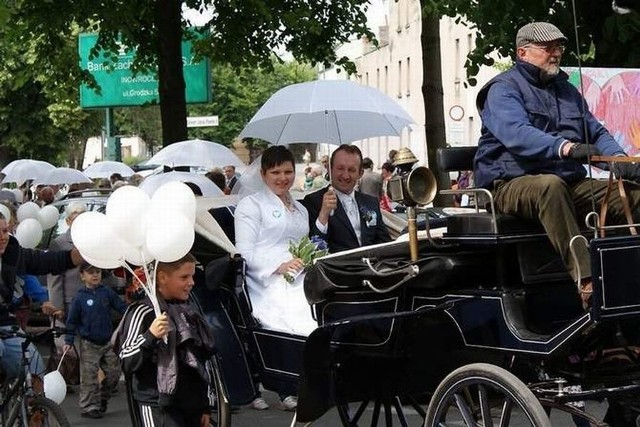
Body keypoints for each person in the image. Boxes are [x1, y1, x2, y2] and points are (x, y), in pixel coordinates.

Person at [473, 21, 640, 308]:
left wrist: (620, 162)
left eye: (559, 46)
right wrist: (565, 147)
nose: (556, 53)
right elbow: (516, 133)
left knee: (632, 194)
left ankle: (628, 277)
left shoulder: (567, 90)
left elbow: (595, 131)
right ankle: (588, 283)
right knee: (549, 187)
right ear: (523, 52)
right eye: (547, 47)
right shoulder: (503, 89)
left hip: (567, 183)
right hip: (512, 184)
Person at [234, 145, 314, 411]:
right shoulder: (251, 205)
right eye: (276, 172)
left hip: (298, 272)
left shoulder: (301, 210)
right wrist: (278, 266)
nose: (283, 178)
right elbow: (244, 254)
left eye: (288, 171)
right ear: (263, 174)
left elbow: (302, 244)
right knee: (295, 305)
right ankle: (289, 378)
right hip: (263, 278)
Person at [116, 253, 216, 427]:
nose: (191, 282)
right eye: (184, 277)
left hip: (191, 406)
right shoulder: (142, 312)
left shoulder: (189, 310)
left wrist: (204, 406)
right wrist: (150, 336)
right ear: (162, 277)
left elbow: (200, 360)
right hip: (158, 406)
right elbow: (126, 360)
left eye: (192, 276)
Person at [0, 211, 84, 380]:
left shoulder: (13, 253)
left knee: (35, 366)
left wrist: (78, 255)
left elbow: (45, 261)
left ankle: (34, 404)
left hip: (5, 323)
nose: (3, 237)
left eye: (4, 231)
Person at [64, 262, 127, 419]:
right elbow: (71, 321)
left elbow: (122, 308)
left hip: (107, 341)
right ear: (82, 276)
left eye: (98, 272)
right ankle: (88, 407)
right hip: (88, 343)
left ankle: (102, 398)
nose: (95, 275)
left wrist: (133, 312)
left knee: (114, 372)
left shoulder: (107, 292)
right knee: (89, 378)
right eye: (90, 272)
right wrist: (68, 340)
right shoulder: (79, 298)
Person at [303, 144, 391, 253]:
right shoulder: (313, 201)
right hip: (337, 268)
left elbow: (384, 242)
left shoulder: (370, 202)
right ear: (330, 169)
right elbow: (314, 248)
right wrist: (324, 214)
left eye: (351, 170)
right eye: (340, 168)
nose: (345, 176)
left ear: (360, 173)